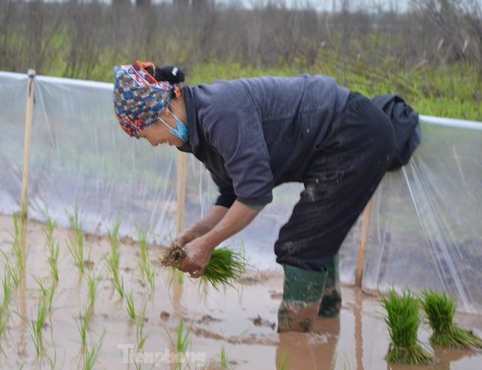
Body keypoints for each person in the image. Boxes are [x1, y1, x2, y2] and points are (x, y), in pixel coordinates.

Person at [113, 60, 418, 332]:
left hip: (355, 134)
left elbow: (254, 195)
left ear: (160, 113)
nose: (151, 144)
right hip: (336, 143)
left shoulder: (219, 113)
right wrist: (196, 232)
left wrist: (206, 245)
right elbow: (233, 193)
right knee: (314, 237)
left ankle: (297, 341)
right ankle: (325, 324)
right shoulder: (197, 132)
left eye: (143, 135)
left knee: (300, 244)